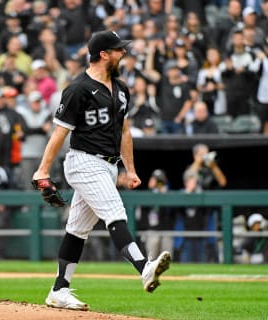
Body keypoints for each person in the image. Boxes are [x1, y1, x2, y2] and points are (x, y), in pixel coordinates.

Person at [32, 30, 171, 311]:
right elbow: (60, 132)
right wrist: (42, 170)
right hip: (83, 161)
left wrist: (130, 169)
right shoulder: (77, 89)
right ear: (103, 54)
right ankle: (144, 268)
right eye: (119, 50)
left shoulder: (121, 88)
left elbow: (125, 133)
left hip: (108, 165)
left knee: (77, 230)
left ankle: (59, 289)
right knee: (114, 213)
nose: (124, 53)